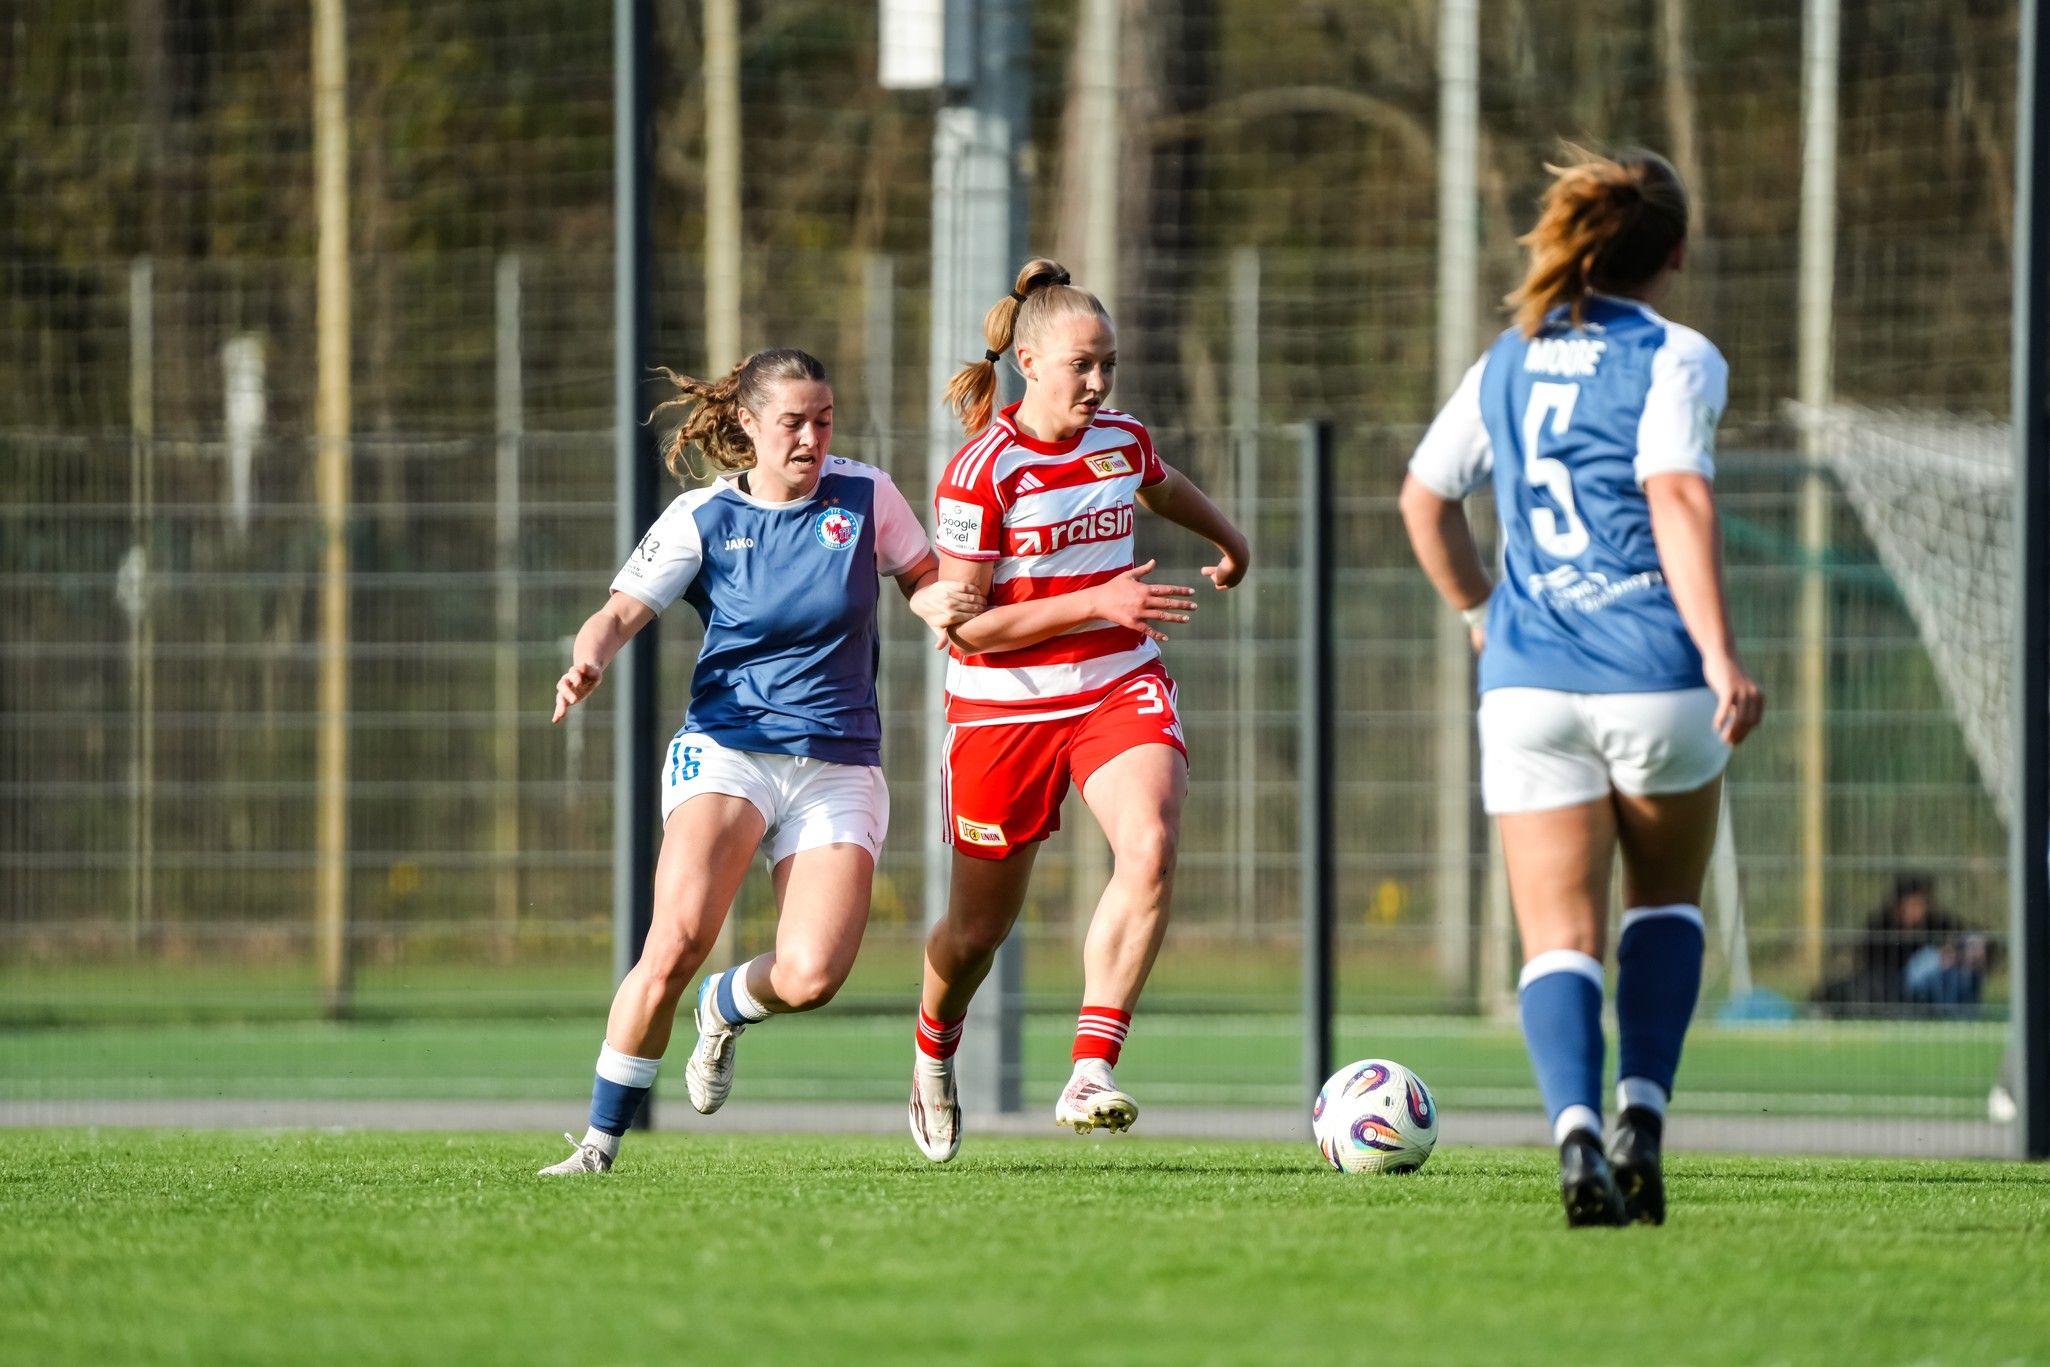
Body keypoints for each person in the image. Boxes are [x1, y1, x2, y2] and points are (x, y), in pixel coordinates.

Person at [1400, 147, 1764, 1226]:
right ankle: (1638, 1119)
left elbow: (1424, 502)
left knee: (1558, 934)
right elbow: (1678, 500)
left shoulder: (1511, 355)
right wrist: (1720, 655)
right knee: (1662, 901)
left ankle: (1570, 1134)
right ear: (1676, 251)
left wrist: (1480, 618)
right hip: (1653, 675)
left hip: (1528, 681)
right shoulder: (1676, 354)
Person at [538, 347, 982, 1175]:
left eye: (824, 420)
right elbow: (617, 612)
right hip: (728, 750)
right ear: (748, 423)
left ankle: (726, 1004)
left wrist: (939, 604)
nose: (812, 438)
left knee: (812, 975)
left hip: (838, 760)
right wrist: (588, 658)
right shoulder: (702, 518)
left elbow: (919, 578)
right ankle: (596, 1146)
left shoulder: (865, 494)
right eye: (793, 423)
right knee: (673, 942)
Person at [904, 258, 1251, 1162]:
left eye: (1109, 364)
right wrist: (1097, 600)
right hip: (1001, 712)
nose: (1099, 383)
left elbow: (1160, 482)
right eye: (1081, 366)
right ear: (1028, 361)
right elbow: (969, 631)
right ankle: (933, 1050)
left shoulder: (1121, 438)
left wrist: (1228, 536)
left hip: (1114, 682)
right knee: (979, 932)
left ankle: (1091, 1067)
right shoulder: (981, 472)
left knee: (1152, 843)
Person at [1814, 873, 1988, 1018]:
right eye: (1913, 904)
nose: (1919, 910)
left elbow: (1971, 940)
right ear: (1899, 905)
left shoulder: (1938, 923)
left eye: (1923, 904)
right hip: (1895, 986)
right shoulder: (1880, 924)